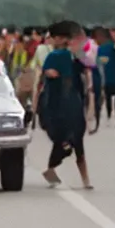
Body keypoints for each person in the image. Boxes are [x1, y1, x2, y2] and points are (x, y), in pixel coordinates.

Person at [38, 20, 94, 189]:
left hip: (70, 101)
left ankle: (84, 179)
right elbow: (46, 73)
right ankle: (80, 178)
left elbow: (87, 70)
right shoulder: (55, 56)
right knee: (70, 141)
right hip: (60, 102)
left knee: (74, 141)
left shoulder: (73, 57)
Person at [96, 27, 115, 135]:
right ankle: (109, 115)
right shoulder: (103, 48)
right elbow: (100, 62)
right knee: (108, 96)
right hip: (108, 75)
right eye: (113, 32)